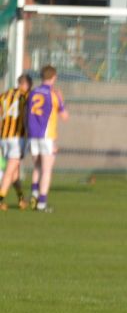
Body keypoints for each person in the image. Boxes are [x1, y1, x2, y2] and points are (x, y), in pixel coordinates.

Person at [26, 65, 69, 213]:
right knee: (47, 170)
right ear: (54, 77)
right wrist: (62, 101)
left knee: (37, 166)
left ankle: (34, 194)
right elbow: (65, 117)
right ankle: (42, 203)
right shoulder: (54, 94)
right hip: (46, 136)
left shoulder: (33, 93)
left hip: (32, 135)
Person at [0, 72, 32, 210]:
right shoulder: (26, 96)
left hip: (4, 137)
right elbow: (27, 116)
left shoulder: (4, 95)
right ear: (27, 85)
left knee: (14, 172)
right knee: (10, 170)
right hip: (17, 138)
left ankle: (21, 199)